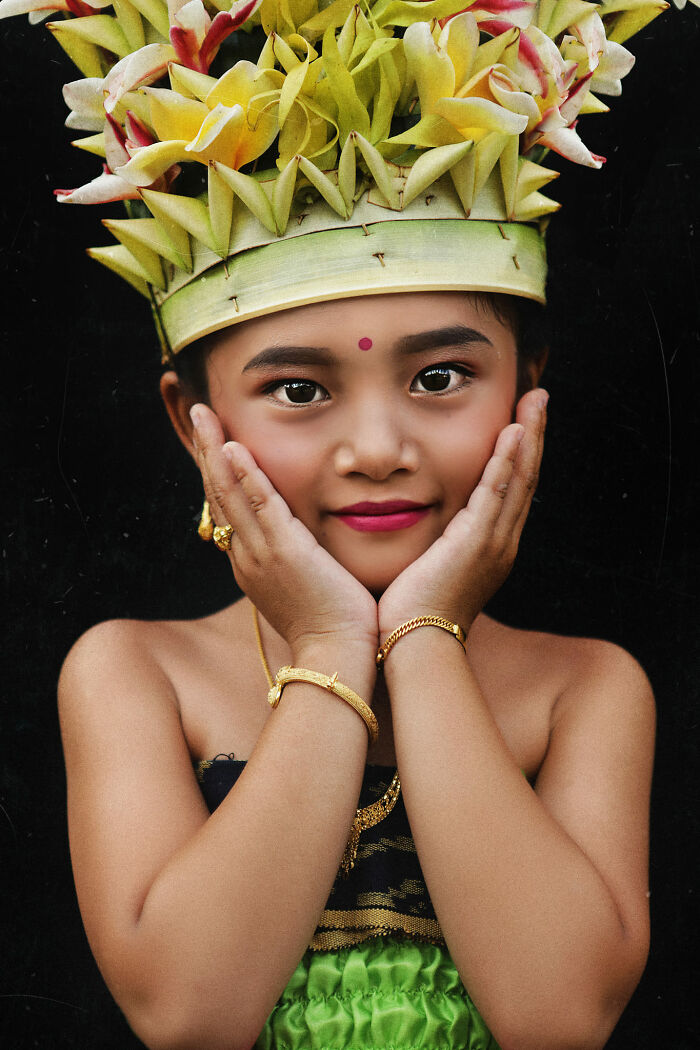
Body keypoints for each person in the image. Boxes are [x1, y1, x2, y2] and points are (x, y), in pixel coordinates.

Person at [0, 0, 680, 1047]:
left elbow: (556, 1019)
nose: (376, 448)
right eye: (299, 391)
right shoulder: (138, 676)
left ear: (526, 389)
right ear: (194, 421)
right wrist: (327, 645)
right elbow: (189, 1015)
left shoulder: (583, 693)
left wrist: (422, 635)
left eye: (440, 377)